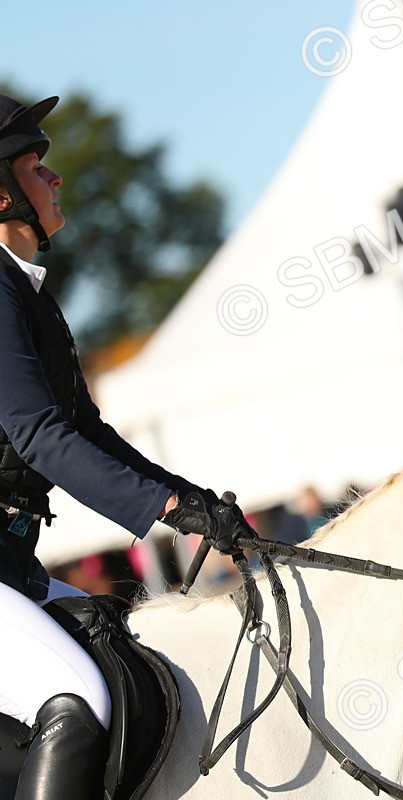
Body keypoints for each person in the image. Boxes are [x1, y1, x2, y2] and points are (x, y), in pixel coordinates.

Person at [0, 93, 242, 799]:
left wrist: (191, 502)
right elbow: (37, 434)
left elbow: (86, 430)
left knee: (141, 670)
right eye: (36, 167)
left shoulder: (26, 292)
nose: (56, 179)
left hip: (17, 561)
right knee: (78, 706)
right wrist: (162, 505)